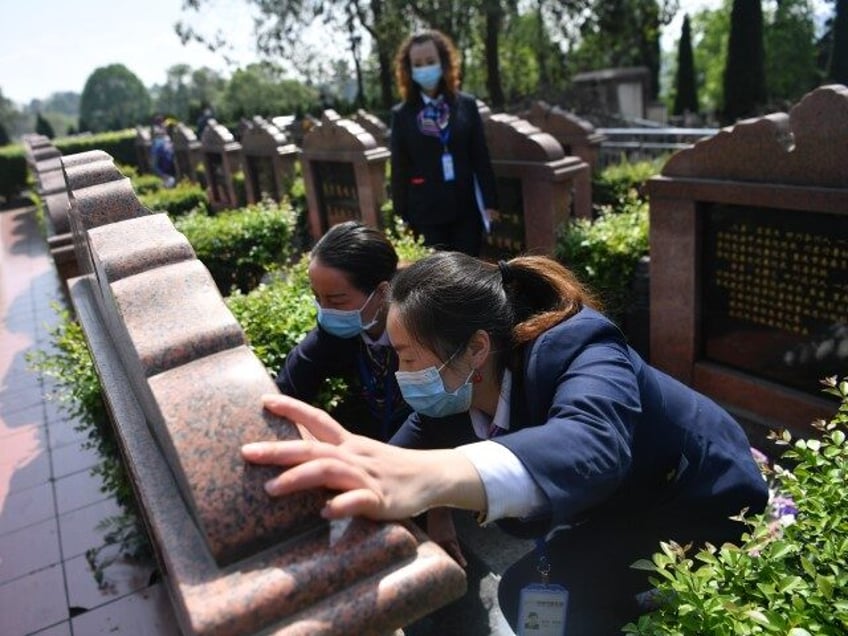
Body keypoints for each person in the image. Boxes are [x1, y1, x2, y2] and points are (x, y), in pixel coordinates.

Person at [244, 251, 768, 633]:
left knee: (552, 599)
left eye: (407, 357)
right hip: (615, 502)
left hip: (697, 499)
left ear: (474, 349)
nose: (400, 374)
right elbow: (389, 465)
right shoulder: (453, 395)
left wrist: (430, 479)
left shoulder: (581, 346)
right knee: (531, 597)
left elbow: (591, 445)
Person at [274, 221, 410, 442]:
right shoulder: (333, 333)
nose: (325, 311)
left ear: (382, 292)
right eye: (317, 297)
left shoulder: (422, 329)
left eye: (336, 300)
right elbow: (286, 391)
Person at [390, 30, 499, 257]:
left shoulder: (466, 105)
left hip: (466, 209)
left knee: (468, 275)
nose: (425, 68)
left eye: (431, 61)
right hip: (426, 213)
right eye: (418, 64)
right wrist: (401, 214)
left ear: (443, 62)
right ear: (409, 70)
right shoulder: (402, 115)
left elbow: (480, 156)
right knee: (438, 282)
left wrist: (491, 203)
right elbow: (400, 167)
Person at [150, 117, 176, 188]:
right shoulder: (157, 143)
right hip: (167, 175)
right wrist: (164, 176)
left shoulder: (168, 140)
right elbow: (154, 164)